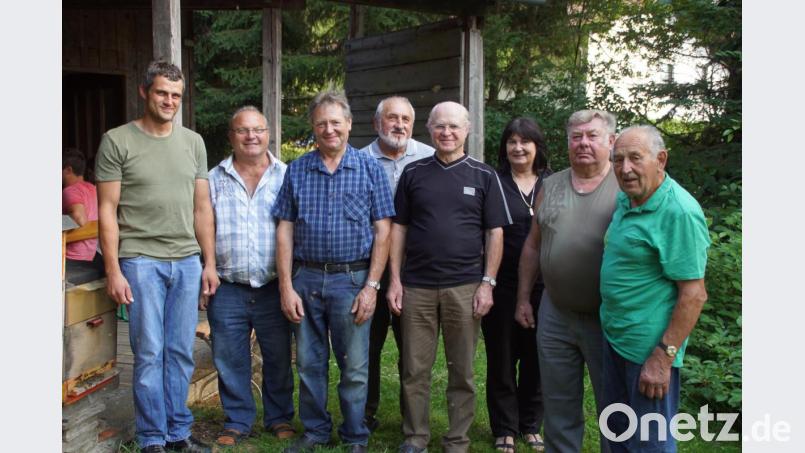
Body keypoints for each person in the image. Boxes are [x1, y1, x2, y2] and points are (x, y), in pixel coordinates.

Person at [95, 60, 219, 453]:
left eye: (176, 95)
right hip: (140, 259)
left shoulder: (193, 142)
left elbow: (202, 208)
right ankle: (152, 438)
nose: (169, 101)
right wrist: (113, 270)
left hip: (186, 260)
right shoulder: (117, 141)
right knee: (149, 352)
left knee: (180, 351)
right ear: (145, 92)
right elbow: (107, 211)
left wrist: (209, 263)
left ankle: (178, 433)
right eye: (163, 92)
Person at [272, 90, 395, 453]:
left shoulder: (370, 168)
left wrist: (372, 286)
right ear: (313, 127)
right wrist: (285, 286)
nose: (329, 130)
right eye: (322, 123)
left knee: (354, 367)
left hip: (352, 280)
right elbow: (285, 228)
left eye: (335, 123)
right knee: (310, 364)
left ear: (349, 125)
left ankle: (355, 435)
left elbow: (383, 229)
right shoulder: (297, 170)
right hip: (305, 278)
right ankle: (315, 431)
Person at [389, 101, 511, 453]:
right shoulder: (413, 174)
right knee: (414, 368)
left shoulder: (484, 176)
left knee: (462, 371)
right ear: (429, 129)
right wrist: (395, 280)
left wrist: (488, 283)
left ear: (467, 130)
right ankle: (415, 437)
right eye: (440, 126)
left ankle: (457, 440)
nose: (447, 133)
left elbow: (495, 234)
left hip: (465, 286)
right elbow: (399, 229)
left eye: (454, 127)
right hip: (417, 286)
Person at [599, 125, 710, 452]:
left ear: (661, 159)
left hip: (650, 351)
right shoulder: (628, 199)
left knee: (651, 442)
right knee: (616, 432)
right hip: (616, 340)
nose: (625, 168)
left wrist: (663, 358)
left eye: (635, 158)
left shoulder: (679, 212)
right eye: (618, 160)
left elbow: (694, 294)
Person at [515, 109, 619, 453]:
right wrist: (523, 297)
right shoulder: (551, 183)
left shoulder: (626, 183)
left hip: (607, 317)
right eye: (577, 137)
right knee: (558, 402)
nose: (583, 143)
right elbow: (533, 243)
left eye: (592, 136)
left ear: (611, 141)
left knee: (614, 405)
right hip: (555, 312)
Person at [204, 106, 294, 446]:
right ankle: (238, 419)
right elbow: (204, 224)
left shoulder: (287, 175)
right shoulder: (214, 178)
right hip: (228, 284)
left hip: (274, 284)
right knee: (229, 356)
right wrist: (208, 266)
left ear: (268, 134)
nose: (251, 136)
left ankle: (279, 416)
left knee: (278, 356)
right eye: (243, 130)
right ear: (232, 137)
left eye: (257, 129)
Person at [359, 95, 434, 432]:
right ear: (378, 123)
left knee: (413, 350)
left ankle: (412, 416)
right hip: (368, 270)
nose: (399, 125)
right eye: (392, 118)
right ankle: (364, 412)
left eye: (405, 119)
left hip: (415, 271)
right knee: (366, 346)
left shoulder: (431, 159)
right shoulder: (359, 161)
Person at [483, 117, 550, 453]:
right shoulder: (492, 180)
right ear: (504, 147)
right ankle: (505, 427)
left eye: (525, 141)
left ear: (537, 146)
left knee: (537, 357)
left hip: (546, 286)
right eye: (512, 141)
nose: (518, 148)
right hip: (501, 284)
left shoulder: (553, 184)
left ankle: (530, 424)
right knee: (502, 357)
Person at [62, 148, 102, 271]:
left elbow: (79, 219)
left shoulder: (70, 191)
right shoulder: (93, 188)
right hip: (91, 255)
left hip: (72, 258)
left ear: (68, 170)